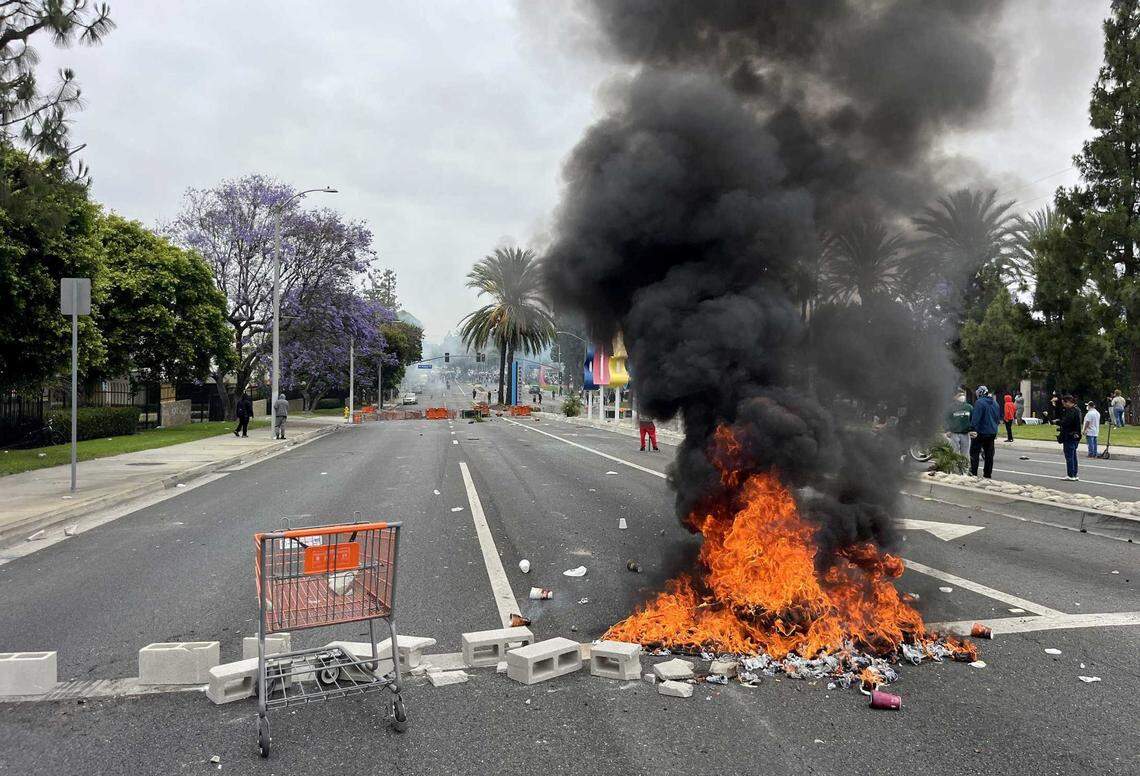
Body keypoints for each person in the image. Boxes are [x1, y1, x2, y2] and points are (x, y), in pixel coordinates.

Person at [968, 385, 1001, 478]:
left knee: (974, 453)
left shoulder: (979, 402)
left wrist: (972, 428)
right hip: (992, 432)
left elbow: (976, 418)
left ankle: (973, 473)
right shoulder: (995, 403)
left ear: (980, 393)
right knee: (989, 455)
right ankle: (987, 474)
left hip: (981, 432)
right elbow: (997, 418)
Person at [1057, 394, 1082, 480]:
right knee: (1073, 455)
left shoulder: (1071, 411)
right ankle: (1074, 474)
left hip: (1069, 435)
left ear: (1068, 402)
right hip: (1075, 435)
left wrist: (1059, 422)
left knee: (1069, 456)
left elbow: (1066, 422)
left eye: (1064, 403)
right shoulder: (1077, 410)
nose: (1064, 405)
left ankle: (1071, 474)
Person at [944, 390, 972, 460]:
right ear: (955, 397)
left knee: (965, 454)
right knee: (955, 453)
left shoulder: (969, 407)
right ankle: (955, 469)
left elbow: (973, 419)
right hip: (954, 433)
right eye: (960, 395)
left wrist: (972, 429)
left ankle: (965, 469)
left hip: (965, 433)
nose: (962, 396)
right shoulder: (951, 407)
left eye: (963, 394)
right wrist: (947, 430)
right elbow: (946, 419)